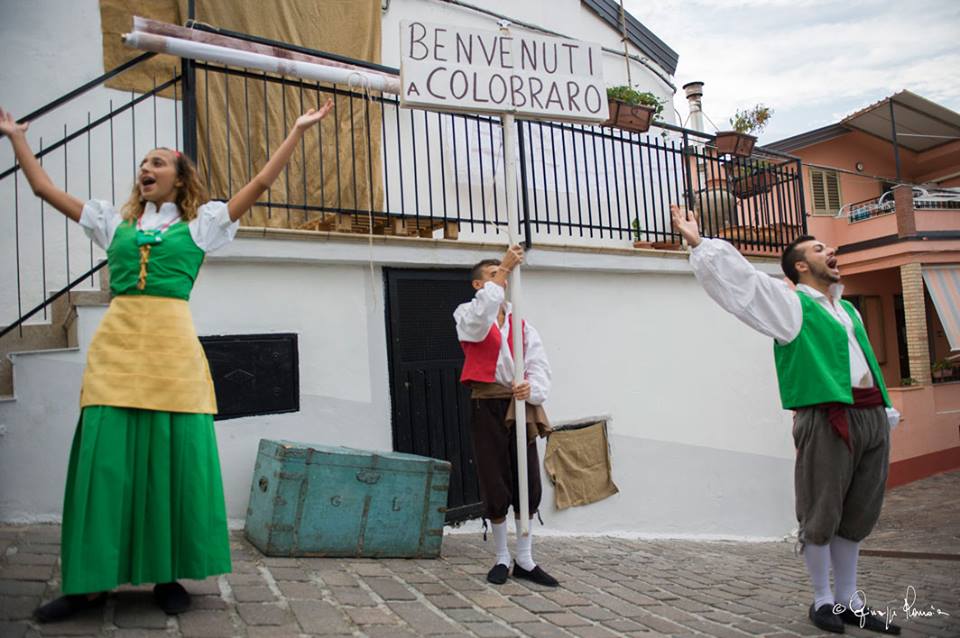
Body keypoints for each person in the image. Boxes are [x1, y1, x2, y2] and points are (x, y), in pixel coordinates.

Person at [0, 99, 333, 622]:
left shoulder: (203, 226)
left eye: (157, 162)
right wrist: (16, 137)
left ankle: (168, 573)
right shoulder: (113, 223)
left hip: (173, 353)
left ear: (179, 179)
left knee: (169, 463)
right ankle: (88, 585)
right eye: (143, 164)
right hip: (116, 349)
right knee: (105, 465)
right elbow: (44, 189)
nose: (145, 169)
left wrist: (294, 131)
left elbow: (261, 184)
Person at [671, 205, 901, 635]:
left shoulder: (847, 310)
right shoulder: (792, 305)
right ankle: (822, 600)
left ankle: (850, 600)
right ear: (801, 266)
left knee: (858, 514)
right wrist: (700, 243)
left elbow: (864, 362)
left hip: (871, 416)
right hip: (828, 417)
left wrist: (884, 412)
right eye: (819, 248)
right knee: (821, 511)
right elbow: (744, 286)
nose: (830, 249)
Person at [454, 245, 558, 587]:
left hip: (517, 404)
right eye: (494, 274)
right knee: (494, 477)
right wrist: (506, 268)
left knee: (526, 478)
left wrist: (532, 388)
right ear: (478, 285)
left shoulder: (522, 323)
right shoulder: (467, 314)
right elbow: (482, 318)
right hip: (487, 403)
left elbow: (538, 363)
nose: (503, 277)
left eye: (505, 274)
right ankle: (501, 556)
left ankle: (525, 558)